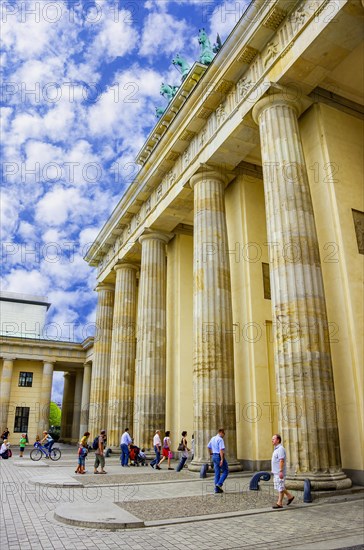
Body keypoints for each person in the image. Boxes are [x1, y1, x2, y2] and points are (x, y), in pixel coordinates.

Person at [271, 434, 294, 509]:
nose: (272, 440)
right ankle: (290, 496)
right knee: (280, 486)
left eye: (273, 439)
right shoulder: (276, 449)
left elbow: (281, 460)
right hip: (276, 472)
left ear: (278, 440)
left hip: (279, 472)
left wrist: (280, 471)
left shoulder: (280, 449)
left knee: (280, 487)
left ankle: (279, 503)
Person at [207, 428, 229, 494]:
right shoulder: (220, 439)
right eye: (223, 433)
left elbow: (208, 446)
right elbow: (221, 450)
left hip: (214, 455)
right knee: (226, 471)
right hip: (219, 456)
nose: (224, 435)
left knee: (217, 473)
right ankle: (219, 484)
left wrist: (210, 453)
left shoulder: (213, 438)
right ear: (221, 432)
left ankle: (217, 490)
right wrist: (222, 459)